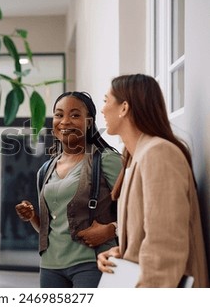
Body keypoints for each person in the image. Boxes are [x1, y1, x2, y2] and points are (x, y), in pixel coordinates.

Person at [97, 74, 209, 287]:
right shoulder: (134, 157)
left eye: (105, 100)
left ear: (124, 108)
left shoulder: (159, 153)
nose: (102, 109)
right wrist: (120, 252)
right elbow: (147, 233)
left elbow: (165, 246)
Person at [15, 91, 122, 288]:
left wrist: (111, 230)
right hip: (50, 266)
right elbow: (50, 229)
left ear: (89, 122)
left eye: (74, 115)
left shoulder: (106, 160)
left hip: (92, 263)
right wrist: (32, 217)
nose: (64, 121)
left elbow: (137, 209)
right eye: (58, 114)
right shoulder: (45, 170)